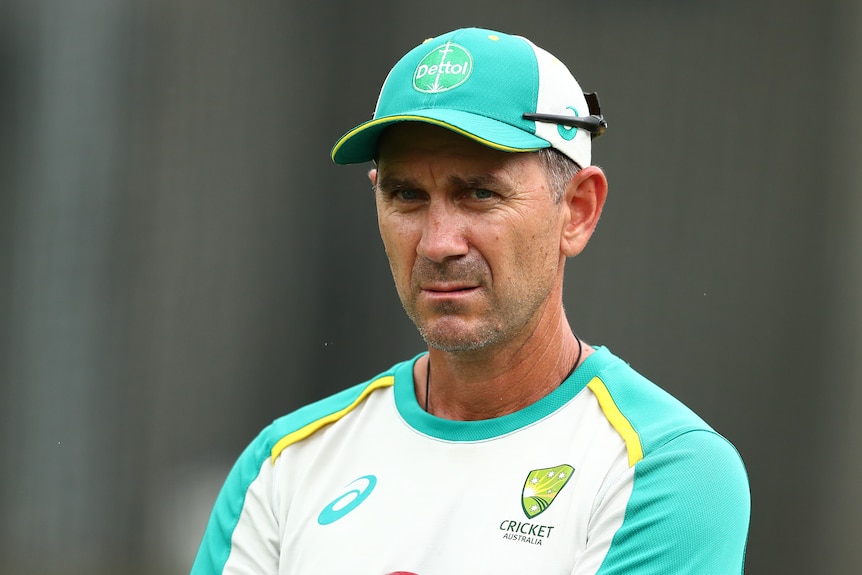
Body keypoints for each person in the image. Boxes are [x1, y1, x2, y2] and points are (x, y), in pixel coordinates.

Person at [191, 27, 750, 574]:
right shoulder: (285, 464)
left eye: (480, 193)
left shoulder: (664, 471)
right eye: (407, 195)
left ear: (577, 211)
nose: (437, 242)